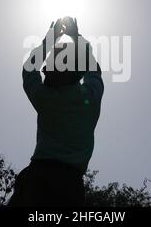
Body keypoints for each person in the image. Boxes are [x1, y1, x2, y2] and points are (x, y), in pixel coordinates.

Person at [9, 17, 104, 207]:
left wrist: (48, 42)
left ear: (67, 71)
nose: (44, 69)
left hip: (36, 181)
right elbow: (93, 71)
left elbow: (29, 70)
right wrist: (76, 37)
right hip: (70, 188)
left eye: (51, 65)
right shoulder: (91, 98)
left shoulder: (45, 98)